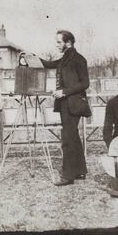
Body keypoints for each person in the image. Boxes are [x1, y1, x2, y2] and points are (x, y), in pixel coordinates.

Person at [39, 30, 90, 186]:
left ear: (69, 43)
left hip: (74, 104)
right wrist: (31, 57)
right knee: (73, 136)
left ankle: (68, 176)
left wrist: (64, 91)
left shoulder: (79, 59)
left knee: (67, 138)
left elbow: (85, 83)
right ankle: (80, 170)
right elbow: (48, 64)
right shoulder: (64, 59)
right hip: (65, 105)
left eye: (59, 42)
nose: (57, 45)